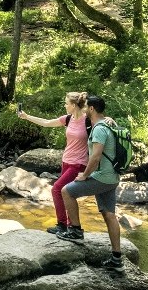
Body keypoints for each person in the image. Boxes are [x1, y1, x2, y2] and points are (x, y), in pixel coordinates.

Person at [57, 94, 124, 270]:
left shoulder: (100, 129)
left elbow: (95, 157)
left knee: (66, 191)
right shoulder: (107, 124)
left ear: (92, 109)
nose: (84, 109)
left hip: (102, 177)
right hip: (113, 178)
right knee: (109, 214)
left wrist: (85, 175)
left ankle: (76, 231)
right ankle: (117, 259)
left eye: (86, 107)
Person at [16, 91, 91, 235]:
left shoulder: (88, 120)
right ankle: (69, 226)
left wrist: (109, 120)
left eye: (66, 103)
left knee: (56, 189)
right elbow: (46, 123)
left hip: (79, 163)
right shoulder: (68, 119)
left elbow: (102, 120)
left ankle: (63, 225)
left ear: (74, 105)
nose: (64, 105)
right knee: (67, 193)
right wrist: (26, 116)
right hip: (66, 161)